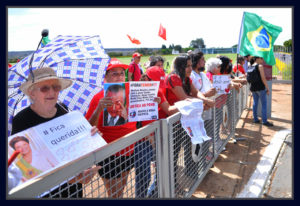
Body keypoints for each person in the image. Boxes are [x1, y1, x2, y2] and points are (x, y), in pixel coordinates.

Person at [11, 67, 100, 198]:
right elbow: (25, 164)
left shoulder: (64, 110)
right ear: (32, 93)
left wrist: (88, 138)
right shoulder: (21, 120)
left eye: (56, 87)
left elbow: (73, 147)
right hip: (45, 192)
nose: (52, 92)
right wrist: (72, 178)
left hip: (73, 190)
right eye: (45, 88)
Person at [85, 58, 137, 198]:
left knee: (122, 187)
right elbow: (88, 127)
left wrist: (153, 102)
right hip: (108, 153)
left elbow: (142, 112)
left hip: (128, 149)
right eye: (114, 73)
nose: (119, 76)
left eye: (121, 73)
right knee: (115, 192)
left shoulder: (131, 92)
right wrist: (99, 109)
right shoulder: (98, 98)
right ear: (106, 76)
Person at [163, 54, 215, 189]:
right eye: (188, 66)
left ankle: (189, 173)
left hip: (184, 120)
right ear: (180, 66)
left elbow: (195, 91)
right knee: (173, 155)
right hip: (172, 123)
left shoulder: (185, 77)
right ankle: (171, 184)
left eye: (191, 65)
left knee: (188, 147)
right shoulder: (173, 77)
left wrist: (204, 100)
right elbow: (185, 98)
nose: (190, 68)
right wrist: (204, 102)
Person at [135, 66, 179, 198]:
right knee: (144, 174)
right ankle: (141, 196)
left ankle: (153, 192)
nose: (157, 87)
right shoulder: (135, 90)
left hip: (157, 136)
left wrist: (185, 104)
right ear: (146, 78)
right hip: (141, 139)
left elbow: (168, 109)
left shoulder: (159, 91)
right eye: (154, 82)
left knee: (161, 168)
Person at [248, 56, 273, 127]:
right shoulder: (260, 66)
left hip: (253, 88)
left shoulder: (250, 66)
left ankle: (255, 119)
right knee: (264, 104)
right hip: (260, 88)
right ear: (257, 59)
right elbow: (263, 78)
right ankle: (264, 121)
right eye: (261, 58)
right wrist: (267, 88)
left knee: (255, 103)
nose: (263, 59)